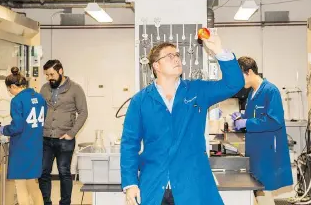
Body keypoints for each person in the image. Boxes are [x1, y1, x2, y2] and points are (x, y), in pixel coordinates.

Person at [121, 32, 244, 205]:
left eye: (177, 55)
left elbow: (234, 84)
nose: (177, 58)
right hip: (155, 184)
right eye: (169, 56)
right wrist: (130, 183)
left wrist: (219, 51)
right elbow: (129, 144)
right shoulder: (140, 100)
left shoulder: (197, 91)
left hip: (193, 184)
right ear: (156, 65)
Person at [231, 56, 293, 205]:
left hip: (267, 150)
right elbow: (254, 115)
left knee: (263, 190)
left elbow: (274, 121)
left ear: (250, 72)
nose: (239, 82)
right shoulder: (252, 93)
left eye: (241, 77)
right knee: (258, 190)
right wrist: (241, 116)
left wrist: (246, 122)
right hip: (255, 150)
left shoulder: (270, 91)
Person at [38, 60, 88, 205]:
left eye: (51, 74)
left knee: (64, 172)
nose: (49, 78)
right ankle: (46, 202)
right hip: (45, 138)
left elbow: (83, 112)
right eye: (46, 75)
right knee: (42, 172)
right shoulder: (44, 88)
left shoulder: (75, 89)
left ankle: (65, 203)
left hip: (65, 139)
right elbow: (40, 111)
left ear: (61, 71)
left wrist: (71, 133)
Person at [0, 67, 46, 205]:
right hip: (35, 146)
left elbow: (17, 127)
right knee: (32, 183)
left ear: (13, 86)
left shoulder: (17, 100)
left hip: (21, 147)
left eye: (9, 89)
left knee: (20, 185)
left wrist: (3, 130)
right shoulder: (39, 97)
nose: (10, 93)